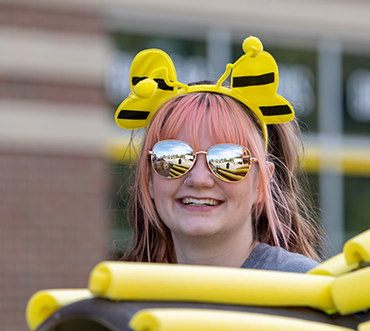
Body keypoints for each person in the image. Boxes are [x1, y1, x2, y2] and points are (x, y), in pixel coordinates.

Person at [116, 36, 321, 273]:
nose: (199, 180)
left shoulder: (306, 290)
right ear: (149, 178)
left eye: (228, 160)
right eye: (173, 157)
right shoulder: (126, 295)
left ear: (262, 183)